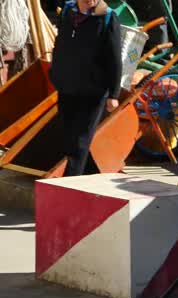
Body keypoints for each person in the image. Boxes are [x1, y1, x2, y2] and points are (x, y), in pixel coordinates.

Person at [49, 0, 122, 176]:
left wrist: (114, 94)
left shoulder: (108, 17)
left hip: (93, 90)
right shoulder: (67, 11)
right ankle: (89, 173)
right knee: (68, 137)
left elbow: (114, 59)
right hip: (67, 86)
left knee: (80, 141)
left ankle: (69, 184)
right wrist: (55, 73)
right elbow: (60, 43)